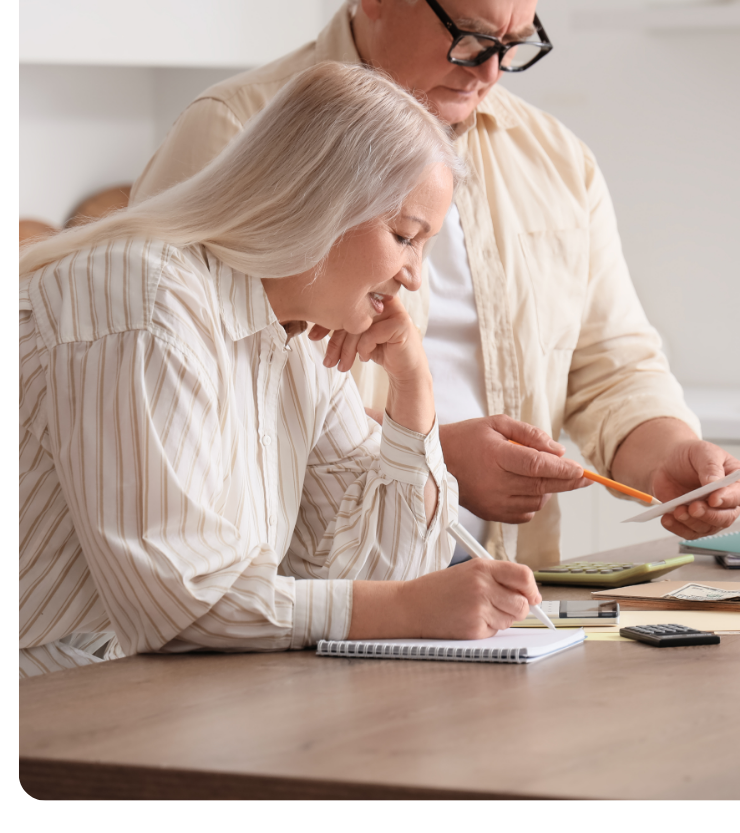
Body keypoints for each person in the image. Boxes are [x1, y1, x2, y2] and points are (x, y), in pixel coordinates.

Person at [131, 0, 740, 569]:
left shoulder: (555, 160)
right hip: (300, 597)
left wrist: (668, 455)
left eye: (515, 44)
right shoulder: (233, 134)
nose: (490, 72)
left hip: (501, 591)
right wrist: (427, 452)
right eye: (472, 36)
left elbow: (612, 367)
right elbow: (174, 384)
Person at [18, 63, 543, 679]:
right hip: (54, 700)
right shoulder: (143, 296)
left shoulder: (297, 335)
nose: (414, 275)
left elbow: (373, 571)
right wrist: (403, 609)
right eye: (404, 235)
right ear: (322, 202)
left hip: (152, 695)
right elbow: (183, 602)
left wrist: (413, 393)